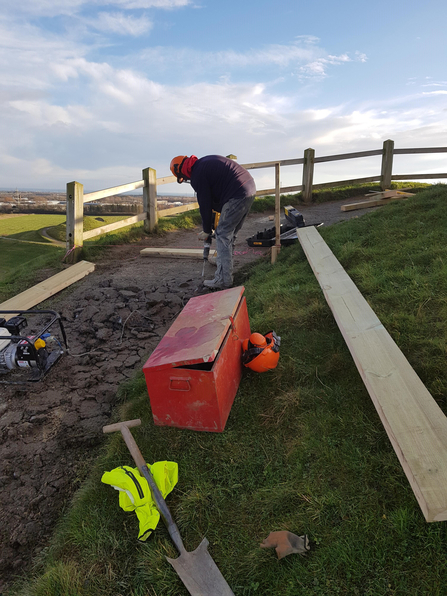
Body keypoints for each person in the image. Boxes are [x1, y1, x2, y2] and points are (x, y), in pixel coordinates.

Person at [170, 154, 256, 289]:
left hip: (237, 193)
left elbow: (205, 205)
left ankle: (223, 280)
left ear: (181, 170)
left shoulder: (198, 174)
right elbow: (214, 201)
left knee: (222, 234)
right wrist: (210, 226)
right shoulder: (203, 163)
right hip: (249, 188)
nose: (186, 179)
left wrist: (206, 230)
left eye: (183, 177)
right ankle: (222, 262)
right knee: (229, 233)